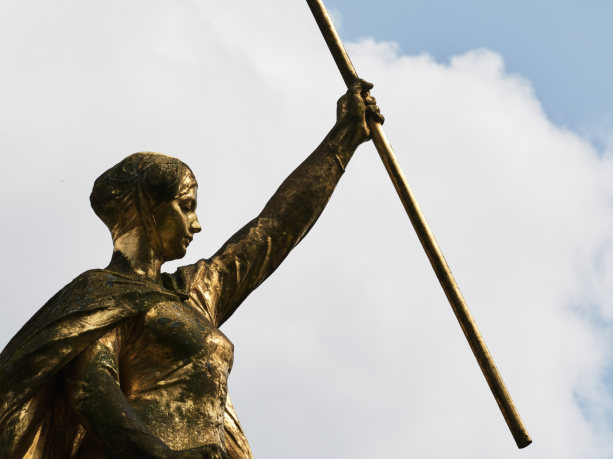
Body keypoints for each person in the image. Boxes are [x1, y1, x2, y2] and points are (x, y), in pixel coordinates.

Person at [0, 80, 383, 459]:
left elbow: (273, 229)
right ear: (148, 208)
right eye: (186, 206)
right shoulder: (100, 292)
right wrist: (158, 455)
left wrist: (343, 140)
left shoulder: (195, 294)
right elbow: (92, 387)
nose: (196, 223)